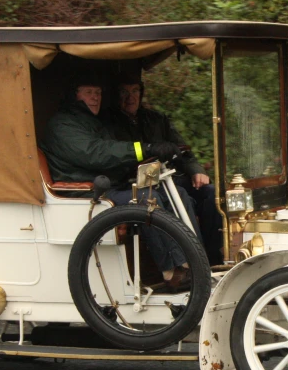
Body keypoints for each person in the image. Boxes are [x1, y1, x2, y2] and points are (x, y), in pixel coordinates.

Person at [38, 74, 200, 287]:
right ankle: (172, 272)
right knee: (147, 199)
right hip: (84, 193)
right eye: (88, 93)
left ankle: (195, 263)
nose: (95, 98)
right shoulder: (64, 125)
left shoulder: (92, 121)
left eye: (98, 93)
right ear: (74, 96)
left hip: (106, 185)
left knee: (172, 193)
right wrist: (146, 149)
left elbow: (113, 152)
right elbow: (97, 153)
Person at [108, 73, 223, 266]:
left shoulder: (156, 119)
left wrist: (195, 170)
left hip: (164, 176)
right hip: (132, 182)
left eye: (135, 91)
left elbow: (182, 148)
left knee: (210, 193)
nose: (131, 97)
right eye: (124, 92)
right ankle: (192, 264)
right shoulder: (110, 123)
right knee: (169, 195)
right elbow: (113, 157)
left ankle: (212, 258)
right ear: (116, 95)